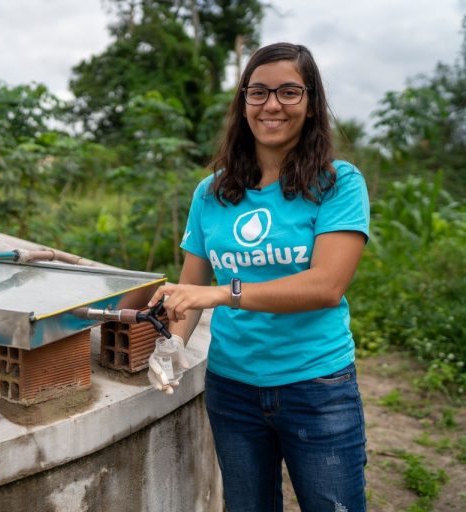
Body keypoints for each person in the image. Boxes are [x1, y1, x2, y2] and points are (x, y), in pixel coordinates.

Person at [147, 42, 370, 511]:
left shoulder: (337, 182)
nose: (272, 104)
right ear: (243, 102)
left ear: (311, 104)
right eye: (259, 92)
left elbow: (327, 285)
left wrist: (222, 294)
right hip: (232, 390)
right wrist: (169, 347)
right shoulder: (212, 192)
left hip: (317, 386)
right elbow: (189, 293)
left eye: (289, 92)